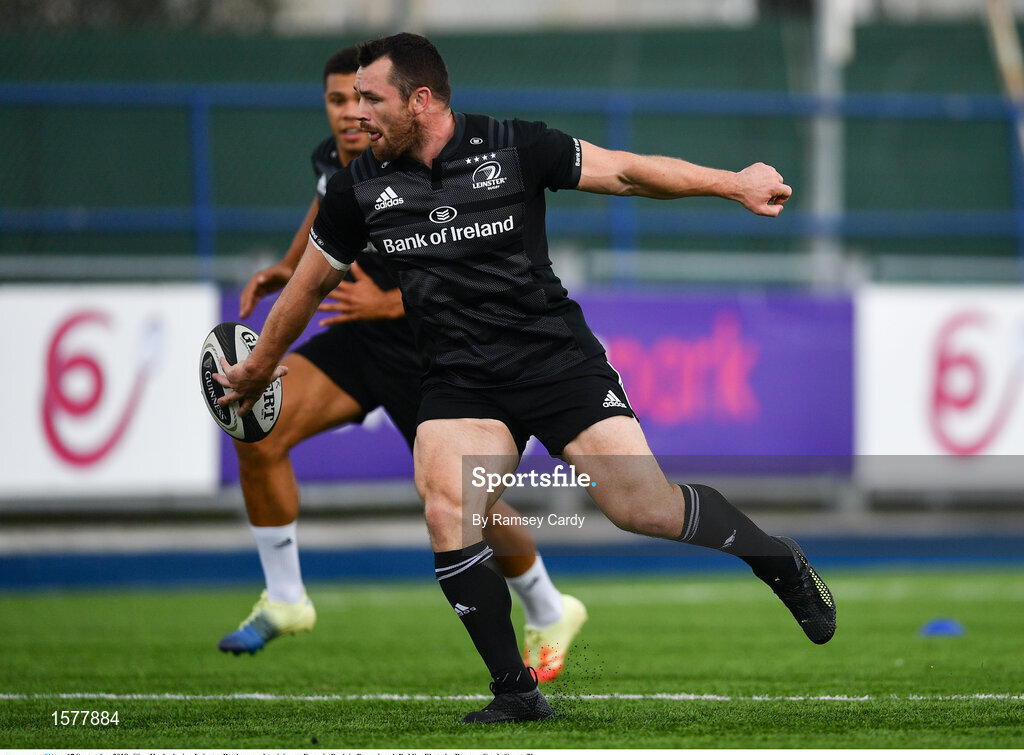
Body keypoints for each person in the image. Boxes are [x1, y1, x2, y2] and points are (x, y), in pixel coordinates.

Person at [215, 33, 836, 725]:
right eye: (351, 98)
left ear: (420, 101)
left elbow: (628, 172)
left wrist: (733, 182)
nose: (357, 114)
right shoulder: (357, 188)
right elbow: (303, 290)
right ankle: (516, 690)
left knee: (643, 508)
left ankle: (777, 558)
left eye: (371, 98)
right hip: (458, 378)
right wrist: (261, 365)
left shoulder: (516, 145)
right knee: (448, 502)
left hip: (554, 360)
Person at [217, 46, 587, 684]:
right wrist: (288, 264)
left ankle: (550, 607)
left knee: (474, 503)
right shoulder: (338, 162)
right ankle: (285, 598)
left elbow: (462, 255)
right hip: (357, 342)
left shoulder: (427, 153)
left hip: (431, 349)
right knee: (256, 425)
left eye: (359, 100)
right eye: (337, 101)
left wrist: (388, 298)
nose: (348, 114)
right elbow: (327, 204)